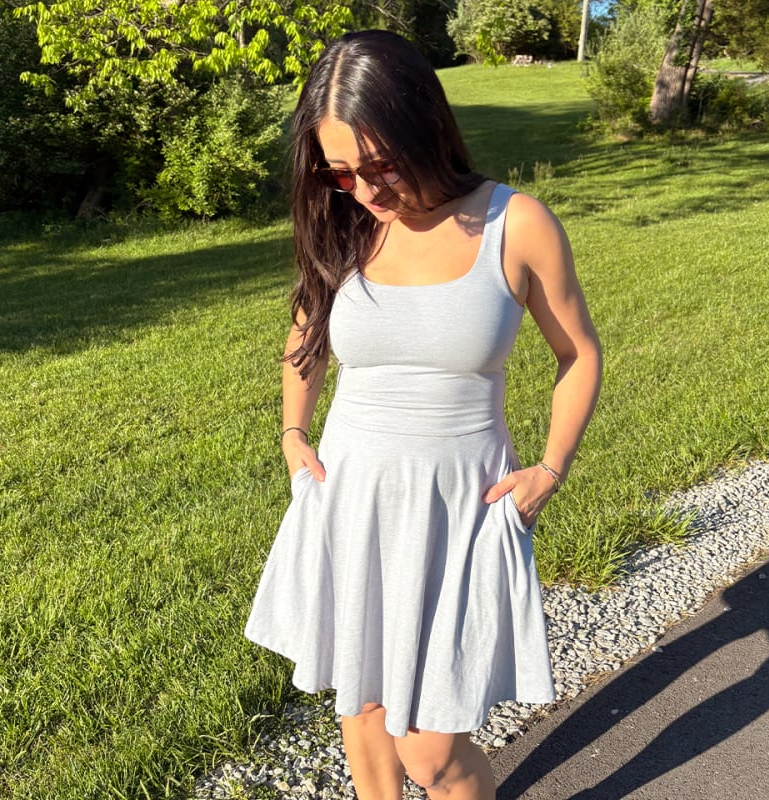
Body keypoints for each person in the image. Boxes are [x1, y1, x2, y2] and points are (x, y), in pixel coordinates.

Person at [244, 29, 602, 800]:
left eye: (379, 166)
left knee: (431, 752)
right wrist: (293, 432)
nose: (365, 190)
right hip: (354, 497)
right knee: (363, 709)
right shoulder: (345, 221)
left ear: (425, 128)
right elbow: (306, 332)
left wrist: (550, 469)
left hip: (459, 509)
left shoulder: (516, 225)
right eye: (341, 172)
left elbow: (578, 354)